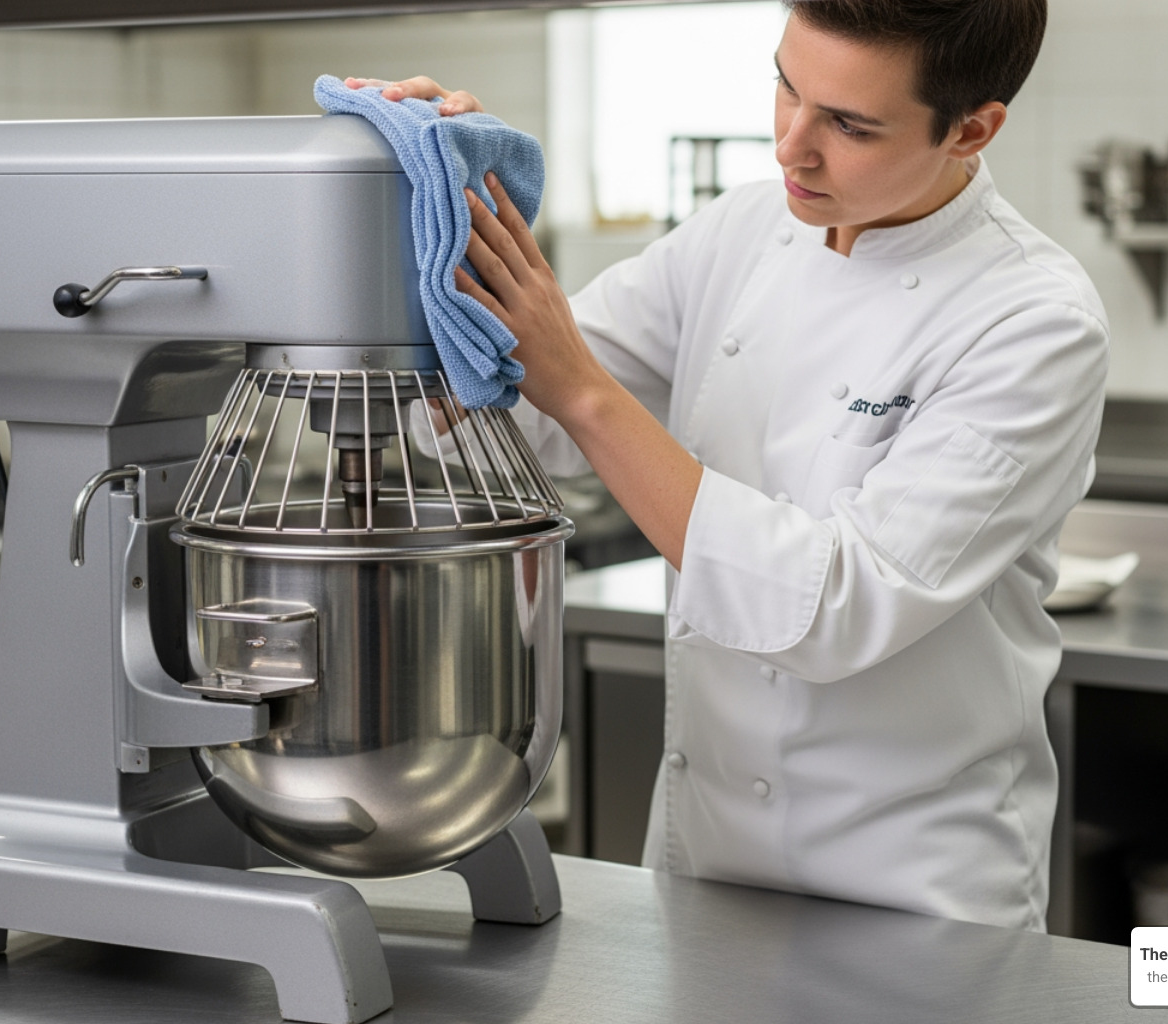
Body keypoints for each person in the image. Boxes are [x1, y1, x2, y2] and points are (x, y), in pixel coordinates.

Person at [348, 0, 1107, 933]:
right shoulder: (744, 232)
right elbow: (518, 413)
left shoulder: (1032, 320)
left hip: (916, 900)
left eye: (851, 124)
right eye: (788, 86)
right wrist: (436, 210)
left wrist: (582, 389)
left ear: (973, 129)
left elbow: (834, 610)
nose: (793, 147)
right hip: (704, 872)